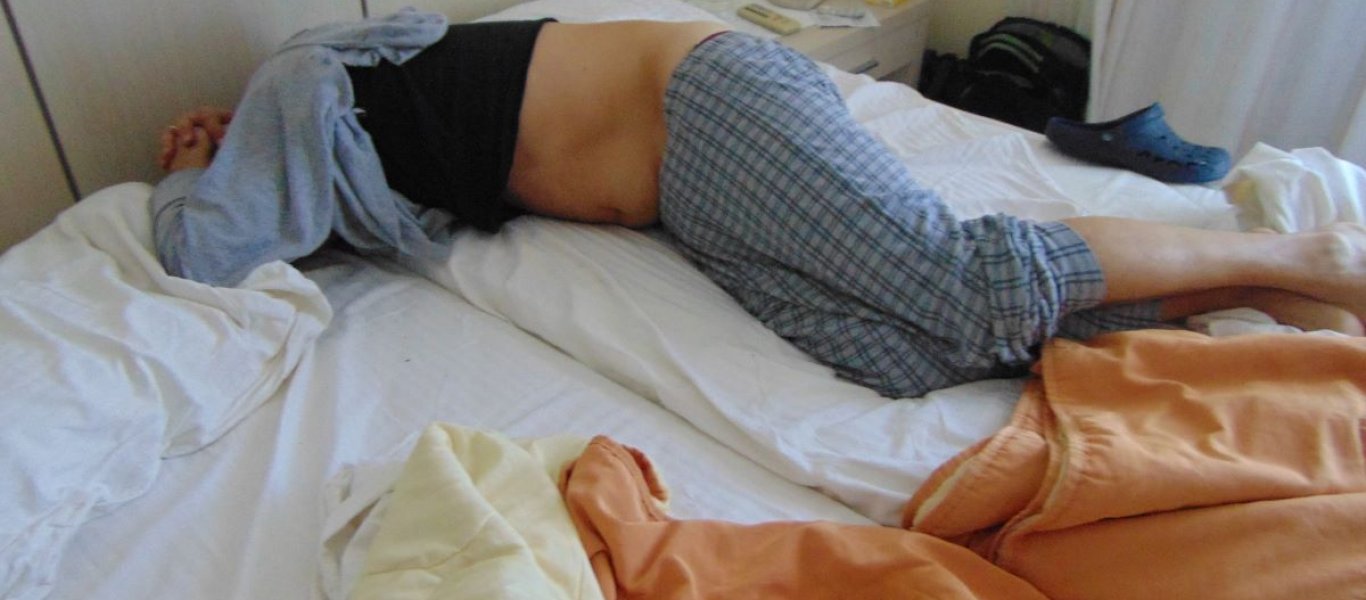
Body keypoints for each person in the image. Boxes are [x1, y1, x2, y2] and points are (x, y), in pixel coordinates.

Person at [154, 10, 1366, 398]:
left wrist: (184, 170)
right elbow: (286, 216)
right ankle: (1249, 292)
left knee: (956, 281)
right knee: (899, 351)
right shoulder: (339, 122)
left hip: (701, 104)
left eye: (232, 151)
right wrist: (226, 151)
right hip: (685, 192)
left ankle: (1300, 252)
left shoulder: (299, 81)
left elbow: (202, 252)